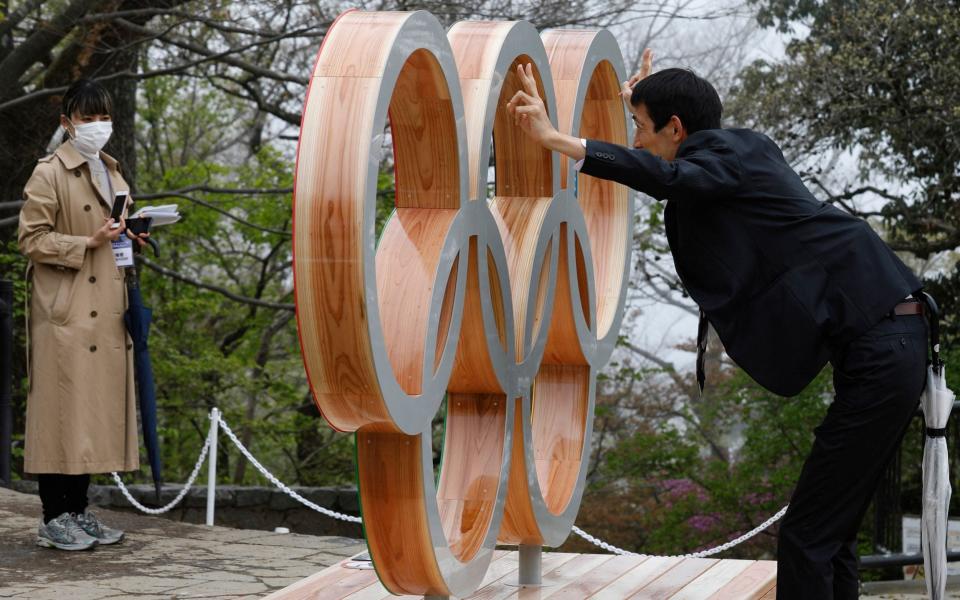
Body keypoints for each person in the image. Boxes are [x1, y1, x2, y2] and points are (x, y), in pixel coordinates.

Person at [507, 53, 928, 598]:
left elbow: (665, 175)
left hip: (884, 344)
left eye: (639, 126)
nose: (635, 140)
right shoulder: (740, 152)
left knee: (806, 536)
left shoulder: (722, 158)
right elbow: (675, 164)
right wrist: (642, 94)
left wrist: (557, 140)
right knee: (830, 532)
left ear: (676, 128)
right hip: (883, 340)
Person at [18, 79, 149, 551]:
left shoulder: (113, 173)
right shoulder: (48, 173)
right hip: (65, 311)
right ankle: (54, 517)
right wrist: (87, 242)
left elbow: (113, 236)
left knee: (90, 413)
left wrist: (130, 236)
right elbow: (31, 241)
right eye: (87, 118)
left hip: (106, 313)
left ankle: (78, 511)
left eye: (102, 117)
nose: (97, 126)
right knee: (60, 414)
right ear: (66, 122)